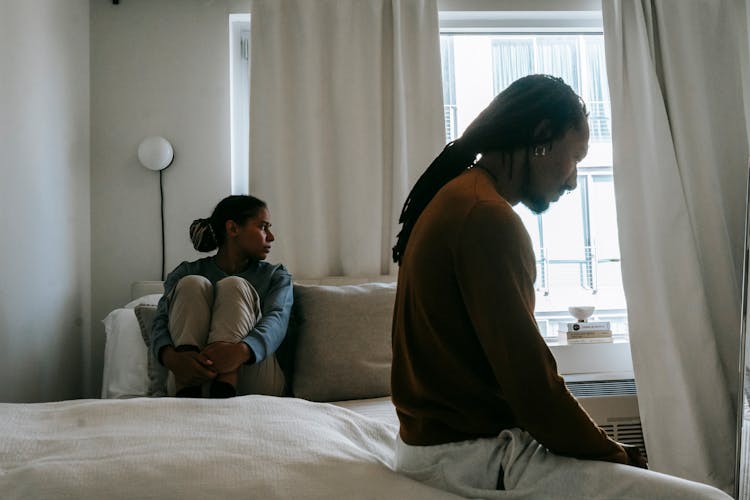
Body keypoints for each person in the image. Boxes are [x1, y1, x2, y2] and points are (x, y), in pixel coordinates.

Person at [390, 74, 730, 498]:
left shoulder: (461, 196)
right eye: (575, 158)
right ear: (541, 139)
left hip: (435, 447)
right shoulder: (485, 217)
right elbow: (533, 388)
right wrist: (615, 453)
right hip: (468, 456)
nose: (573, 181)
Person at [150, 194, 293, 398]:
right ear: (233, 228)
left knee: (234, 285)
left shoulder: (275, 276)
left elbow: (278, 319)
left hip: (253, 380)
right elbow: (160, 322)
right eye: (263, 227)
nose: (271, 237)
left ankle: (227, 382)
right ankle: (190, 384)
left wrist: (241, 351)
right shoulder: (184, 272)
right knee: (192, 283)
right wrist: (173, 359)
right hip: (190, 378)